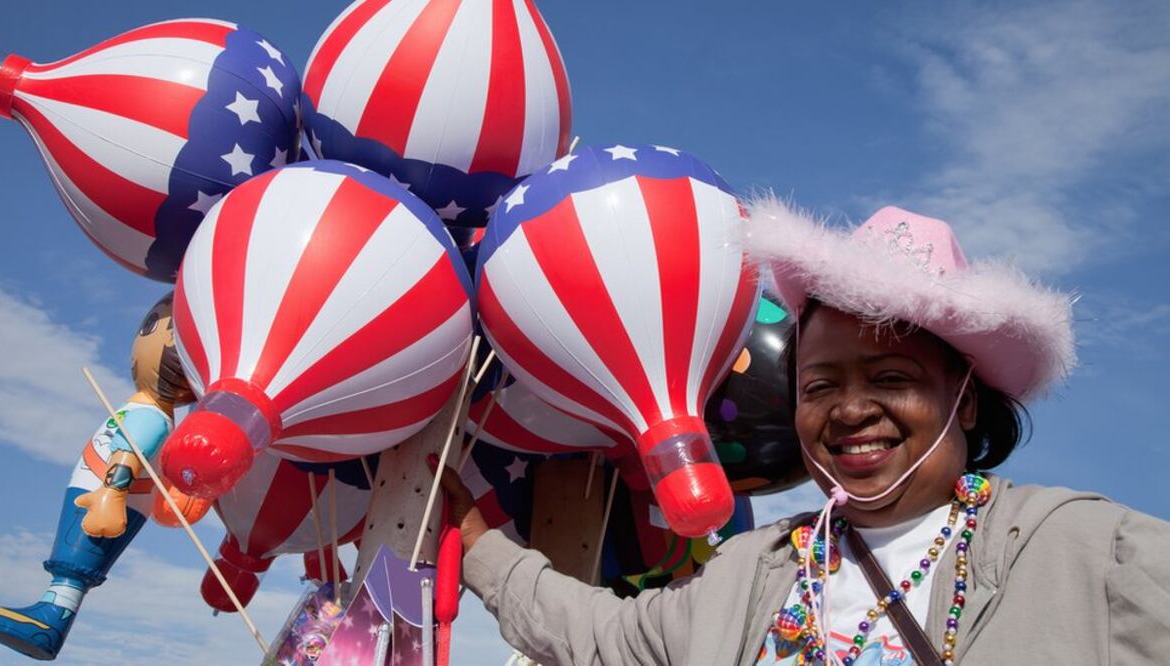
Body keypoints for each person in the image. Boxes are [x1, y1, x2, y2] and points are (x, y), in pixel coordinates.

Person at [436, 203, 1170, 665]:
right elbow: (595, 635)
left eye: (889, 379)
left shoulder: (1089, 553)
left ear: (965, 401)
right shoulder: (751, 573)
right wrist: (477, 541)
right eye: (821, 386)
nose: (850, 410)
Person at [0, 293, 199, 661]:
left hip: (104, 493)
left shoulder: (151, 416)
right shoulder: (154, 413)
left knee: (76, 560)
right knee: (73, 563)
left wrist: (111, 493)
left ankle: (51, 619)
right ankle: (53, 613)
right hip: (106, 491)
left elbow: (130, 449)